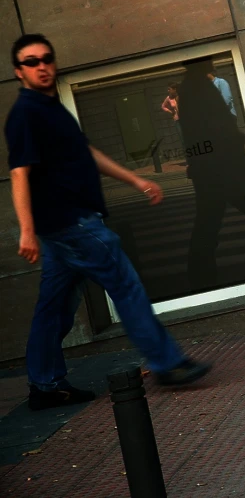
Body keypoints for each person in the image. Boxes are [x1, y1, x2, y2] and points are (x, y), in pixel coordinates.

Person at [4, 34, 211, 411]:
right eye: (31, 62)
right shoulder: (26, 114)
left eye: (46, 58)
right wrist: (27, 231)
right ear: (19, 72)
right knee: (126, 286)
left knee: (54, 307)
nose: (42, 66)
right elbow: (19, 173)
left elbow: (86, 153)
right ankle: (167, 363)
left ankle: (46, 384)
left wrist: (135, 179)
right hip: (71, 223)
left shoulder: (52, 108)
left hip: (61, 230)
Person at [177, 57, 245, 291]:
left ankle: (200, 277)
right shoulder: (198, 88)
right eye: (208, 59)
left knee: (207, 223)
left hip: (211, 169)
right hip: (225, 168)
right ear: (199, 64)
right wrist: (244, 139)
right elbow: (219, 127)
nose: (213, 63)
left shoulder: (193, 87)